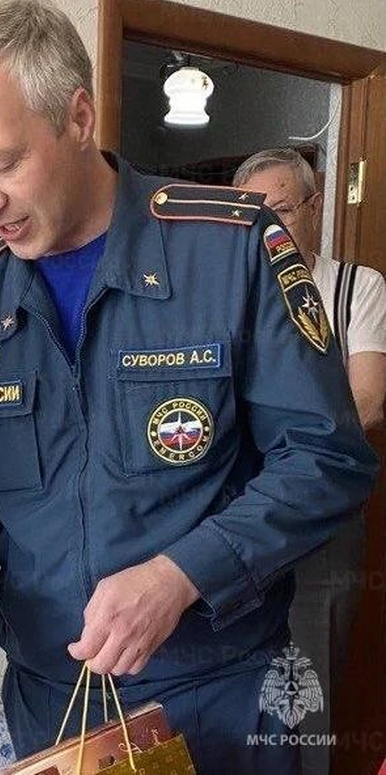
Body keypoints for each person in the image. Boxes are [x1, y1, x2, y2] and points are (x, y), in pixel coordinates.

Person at [0, 0, 379, 775]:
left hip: (220, 696)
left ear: (79, 116)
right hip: (52, 708)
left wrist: (182, 574)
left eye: (3, 162)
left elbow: (326, 460)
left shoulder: (232, 251)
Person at [235, 148, 386, 775]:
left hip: (322, 522)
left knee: (309, 684)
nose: (267, 227)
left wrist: (273, 444)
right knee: (233, 683)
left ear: (316, 208)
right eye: (252, 214)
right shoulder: (231, 290)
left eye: (280, 210)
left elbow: (370, 401)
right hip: (239, 519)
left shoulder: (357, 286)